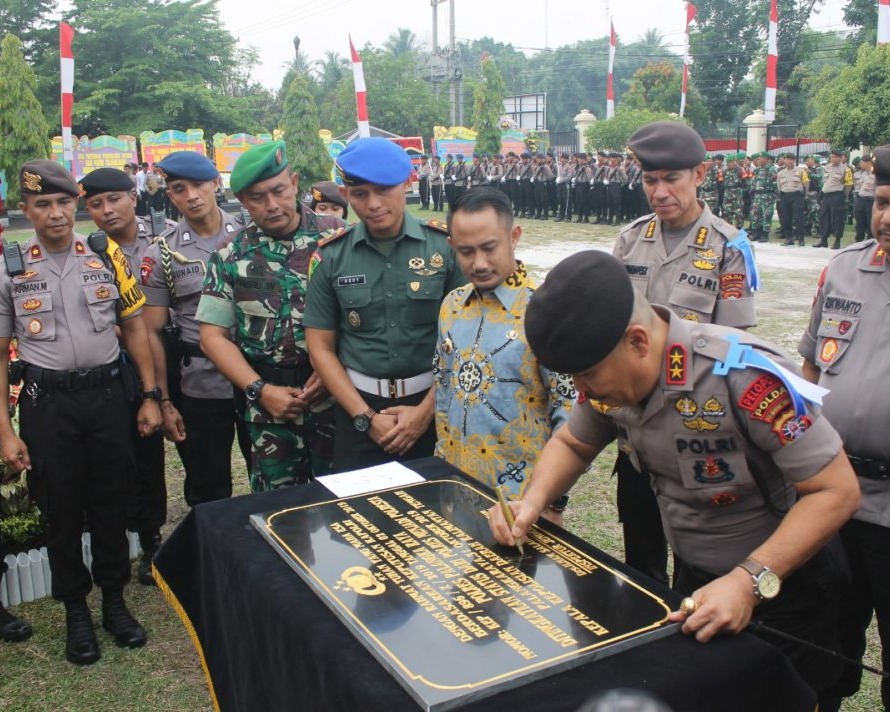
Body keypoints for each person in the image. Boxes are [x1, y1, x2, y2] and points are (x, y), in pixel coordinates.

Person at [489, 249, 859, 704]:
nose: (580, 391)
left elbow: (836, 490)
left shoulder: (742, 376)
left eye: (586, 375)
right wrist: (533, 503)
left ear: (639, 341)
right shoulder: (613, 378)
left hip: (785, 587)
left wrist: (747, 581)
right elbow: (573, 442)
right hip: (696, 580)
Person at [0, 160, 163, 664]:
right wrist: (5, 431)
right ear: (25, 209)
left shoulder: (105, 253)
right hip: (48, 404)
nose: (55, 214)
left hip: (109, 397)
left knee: (113, 500)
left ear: (76, 204)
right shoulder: (10, 265)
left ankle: (114, 603)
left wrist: (151, 395)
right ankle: (76, 612)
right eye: (43, 205)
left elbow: (136, 329)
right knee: (61, 510)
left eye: (64, 202)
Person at [612, 120, 759, 586]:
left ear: (699, 174)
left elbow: (732, 344)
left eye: (670, 179)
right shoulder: (630, 239)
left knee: (699, 567)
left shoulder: (726, 247)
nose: (659, 192)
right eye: (650, 180)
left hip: (698, 429)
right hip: (636, 432)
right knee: (642, 561)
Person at [304, 137, 465, 472]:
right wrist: (366, 417)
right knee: (358, 517)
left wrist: (425, 413)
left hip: (436, 406)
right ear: (346, 196)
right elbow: (320, 347)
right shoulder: (330, 256)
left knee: (439, 515)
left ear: (406, 184)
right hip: (358, 412)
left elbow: (467, 340)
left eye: (384, 190)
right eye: (360, 194)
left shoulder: (446, 248)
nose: (373, 203)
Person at [800, 143, 890, 712]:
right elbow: (809, 368)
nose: (886, 217)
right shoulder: (844, 268)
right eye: (882, 202)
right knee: (825, 642)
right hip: (833, 495)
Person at [198, 141, 344, 491]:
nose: (272, 205)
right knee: (279, 513)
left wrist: (332, 372)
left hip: (336, 398)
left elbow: (364, 317)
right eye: (257, 197)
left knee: (344, 503)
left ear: (294, 182)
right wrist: (259, 390)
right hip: (269, 410)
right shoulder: (231, 254)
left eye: (278, 190)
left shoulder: (337, 239)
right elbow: (212, 336)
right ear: (243, 202)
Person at [434, 187, 575, 515]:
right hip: (456, 491)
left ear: (514, 236)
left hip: (523, 504)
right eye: (466, 251)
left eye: (489, 248)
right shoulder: (452, 305)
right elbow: (443, 390)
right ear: (452, 246)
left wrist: (551, 501)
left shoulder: (546, 310)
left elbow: (570, 416)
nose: (479, 263)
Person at [79, 167, 180, 586]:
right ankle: (133, 536)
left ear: (132, 198)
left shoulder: (166, 237)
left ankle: (152, 535)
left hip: (173, 351)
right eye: (96, 204)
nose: (107, 211)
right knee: (125, 447)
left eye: (114, 200)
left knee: (155, 447)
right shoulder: (85, 250)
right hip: (115, 362)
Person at [140, 151, 248, 507]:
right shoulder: (163, 254)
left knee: (272, 475)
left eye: (199, 184)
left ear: (217, 183)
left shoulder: (251, 236)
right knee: (207, 487)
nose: (191, 196)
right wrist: (165, 401)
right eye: (178, 188)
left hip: (256, 376)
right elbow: (153, 333)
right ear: (169, 195)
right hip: (201, 384)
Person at [817, 149, 854, 249]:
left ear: (841, 158)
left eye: (836, 157)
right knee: (823, 217)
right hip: (826, 195)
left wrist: (844, 196)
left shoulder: (845, 169)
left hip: (837, 195)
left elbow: (849, 184)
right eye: (832, 157)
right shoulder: (827, 167)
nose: (834, 159)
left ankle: (837, 240)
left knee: (837, 219)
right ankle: (823, 240)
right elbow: (824, 181)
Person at [776, 153, 809, 247]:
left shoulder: (801, 171)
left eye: (791, 159)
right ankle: (788, 238)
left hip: (797, 195)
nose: (789, 161)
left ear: (794, 161)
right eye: (787, 159)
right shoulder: (781, 173)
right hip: (785, 196)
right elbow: (779, 186)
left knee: (798, 217)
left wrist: (805, 195)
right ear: (784, 161)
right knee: (786, 218)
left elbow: (806, 183)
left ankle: (801, 238)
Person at [852, 154, 875, 242]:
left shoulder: (875, 174)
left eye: (862, 162)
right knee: (859, 223)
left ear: (868, 163)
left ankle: (870, 241)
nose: (860, 164)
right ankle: (858, 241)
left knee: (870, 223)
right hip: (860, 199)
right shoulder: (861, 174)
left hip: (870, 201)